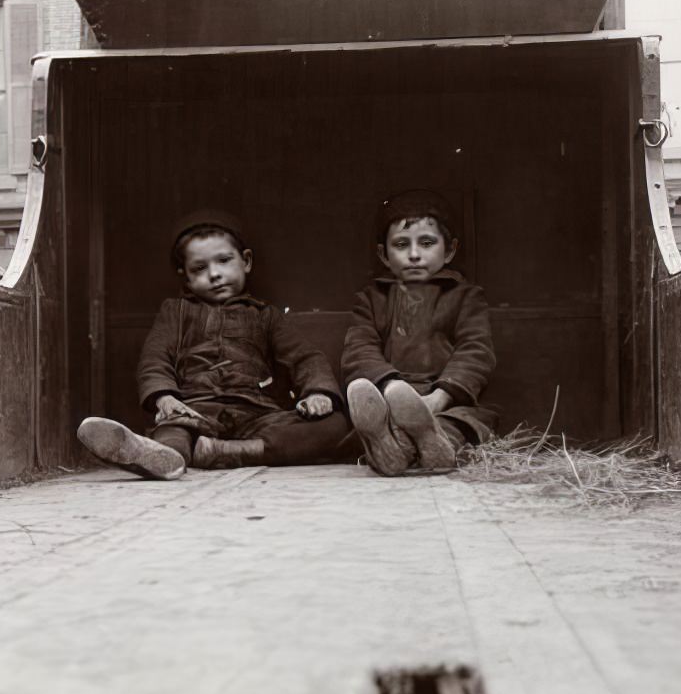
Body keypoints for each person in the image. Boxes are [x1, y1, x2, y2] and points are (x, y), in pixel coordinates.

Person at [77, 208, 349, 479]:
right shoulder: (175, 311)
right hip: (195, 411)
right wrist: (164, 398)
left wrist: (318, 393)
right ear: (185, 276)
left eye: (224, 261)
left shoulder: (266, 315)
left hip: (257, 414)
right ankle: (155, 456)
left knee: (333, 426)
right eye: (200, 268)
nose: (214, 274)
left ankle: (231, 451)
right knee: (174, 430)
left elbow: (305, 357)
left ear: (246, 261)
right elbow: (155, 359)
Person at [341, 190, 498, 476]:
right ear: (384, 255)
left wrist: (440, 397)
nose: (414, 254)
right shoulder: (372, 299)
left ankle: (418, 446)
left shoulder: (465, 297)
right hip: (390, 398)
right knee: (364, 422)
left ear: (449, 250)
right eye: (401, 244)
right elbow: (359, 348)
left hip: (447, 398)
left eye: (426, 243)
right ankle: (396, 443)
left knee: (461, 422)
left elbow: (475, 350)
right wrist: (390, 388)